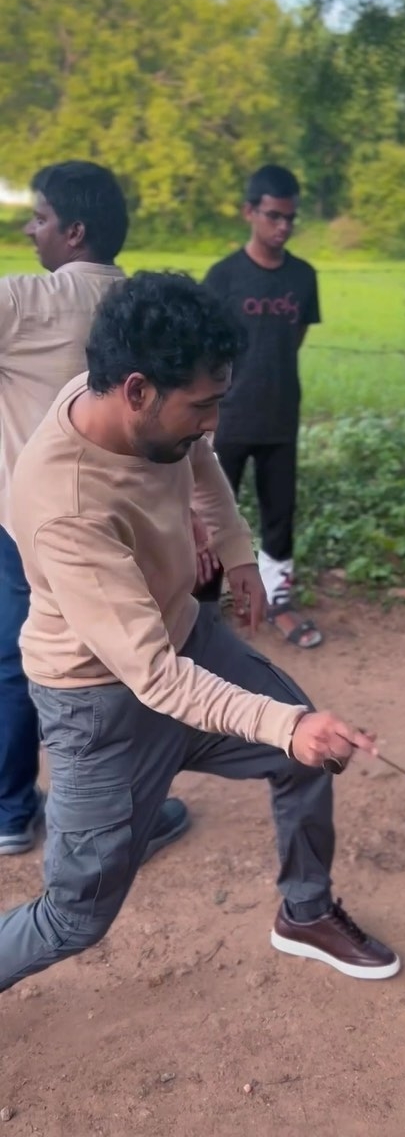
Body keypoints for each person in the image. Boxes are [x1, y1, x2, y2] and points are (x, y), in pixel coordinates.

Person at [0, 272, 400, 992]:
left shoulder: (120, 407)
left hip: (184, 639)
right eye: (203, 404)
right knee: (73, 918)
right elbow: (152, 678)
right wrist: (286, 723)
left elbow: (201, 457)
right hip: (102, 705)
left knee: (305, 754)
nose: (214, 421)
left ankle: (304, 913)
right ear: (137, 391)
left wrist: (237, 551)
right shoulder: (66, 504)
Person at [0, 161, 188, 857]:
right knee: (129, 655)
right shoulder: (147, 306)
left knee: (28, 659)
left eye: (40, 218)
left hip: (35, 526)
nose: (30, 230)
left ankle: (15, 810)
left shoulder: (25, 302)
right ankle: (130, 810)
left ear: (73, 231)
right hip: (133, 520)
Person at [204, 165, 322, 649]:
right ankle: (204, 613)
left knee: (280, 513)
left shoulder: (303, 276)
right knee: (212, 515)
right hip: (226, 417)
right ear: (249, 212)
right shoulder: (223, 277)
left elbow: (292, 339)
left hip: (279, 417)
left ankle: (279, 603)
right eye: (273, 216)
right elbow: (204, 348)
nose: (283, 227)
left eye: (290, 218)